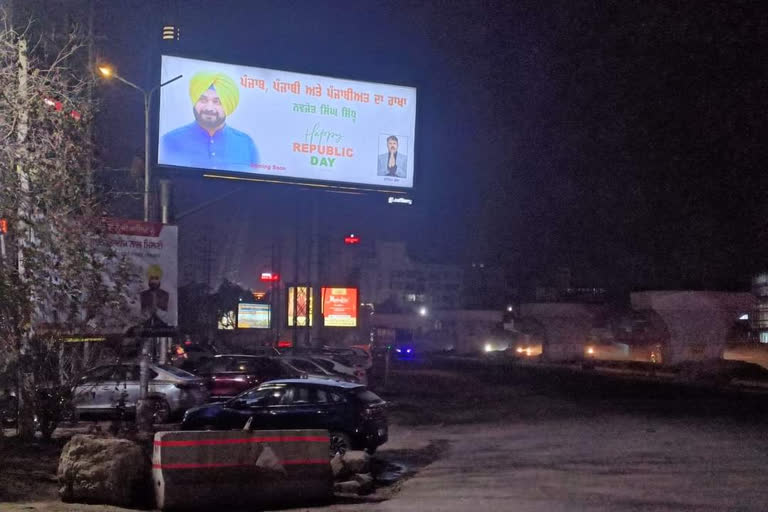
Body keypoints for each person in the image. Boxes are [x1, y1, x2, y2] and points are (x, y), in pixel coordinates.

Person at [160, 72, 258, 171]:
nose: (209, 108)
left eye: (217, 102)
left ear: (228, 106)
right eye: (203, 100)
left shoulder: (246, 144)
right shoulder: (169, 140)